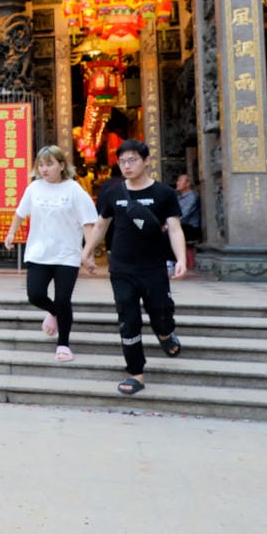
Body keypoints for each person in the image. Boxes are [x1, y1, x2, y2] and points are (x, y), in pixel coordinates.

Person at [80, 139, 187, 396]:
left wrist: (180, 258)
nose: (127, 166)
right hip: (122, 268)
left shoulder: (164, 194)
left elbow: (174, 228)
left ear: (147, 161)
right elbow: (101, 225)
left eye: (133, 160)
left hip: (153, 267)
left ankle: (164, 333)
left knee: (160, 312)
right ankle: (135, 372)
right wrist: (86, 253)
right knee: (128, 320)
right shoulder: (113, 193)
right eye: (122, 161)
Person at [3, 145, 98, 362]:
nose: (45, 169)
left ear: (62, 165)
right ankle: (54, 313)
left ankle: (63, 344)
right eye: (41, 165)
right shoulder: (34, 188)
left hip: (67, 255)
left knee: (63, 299)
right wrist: (11, 233)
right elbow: (20, 213)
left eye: (50, 164)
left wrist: (88, 253)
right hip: (38, 252)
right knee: (35, 295)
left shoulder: (74, 190)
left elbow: (88, 225)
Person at [176, 173, 202, 243]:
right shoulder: (179, 197)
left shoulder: (192, 197)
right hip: (180, 226)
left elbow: (184, 215)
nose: (177, 183)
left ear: (188, 184)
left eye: (180, 181)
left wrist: (169, 225)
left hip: (190, 228)